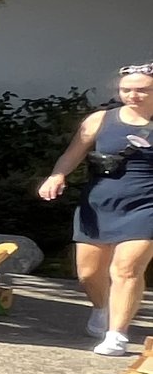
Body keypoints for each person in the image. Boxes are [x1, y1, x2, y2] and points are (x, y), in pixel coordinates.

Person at [39, 62, 153, 356]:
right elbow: (71, 155)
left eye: (142, 90)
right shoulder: (100, 120)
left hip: (146, 205)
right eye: (126, 90)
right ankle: (102, 308)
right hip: (100, 202)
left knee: (126, 269)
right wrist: (56, 176)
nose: (133, 95)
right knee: (88, 273)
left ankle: (117, 335)